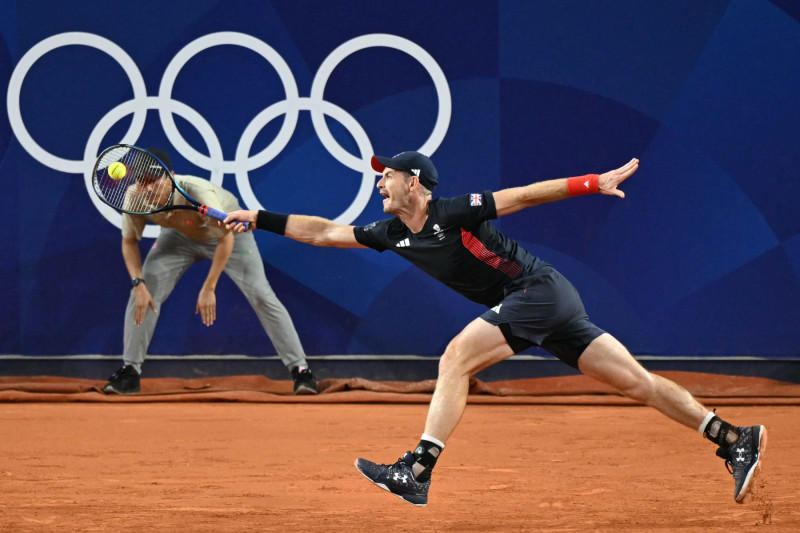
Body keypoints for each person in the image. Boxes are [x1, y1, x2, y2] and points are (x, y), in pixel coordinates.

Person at [223, 151, 766, 506]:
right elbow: (322, 233)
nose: (379, 180)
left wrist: (591, 182)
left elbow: (526, 195)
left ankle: (418, 467)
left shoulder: (455, 212)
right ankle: (734, 438)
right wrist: (256, 216)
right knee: (636, 383)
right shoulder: (391, 232)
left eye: (386, 174)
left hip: (537, 293)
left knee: (455, 357)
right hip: (543, 307)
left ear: (414, 183)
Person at [103, 147, 318, 396]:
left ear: (170, 176)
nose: (148, 188)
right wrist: (137, 283)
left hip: (227, 236)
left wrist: (209, 286)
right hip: (179, 237)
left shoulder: (199, 194)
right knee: (143, 293)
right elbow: (129, 241)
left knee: (261, 294)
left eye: (155, 180)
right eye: (143, 182)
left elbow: (225, 239)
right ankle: (130, 371)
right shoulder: (134, 197)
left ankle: (301, 370)